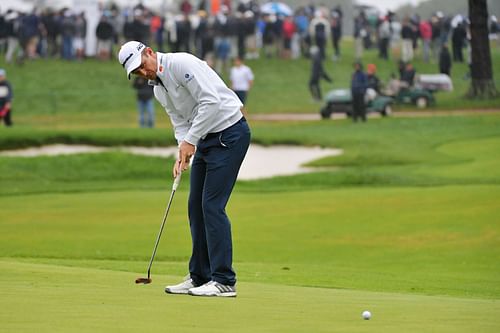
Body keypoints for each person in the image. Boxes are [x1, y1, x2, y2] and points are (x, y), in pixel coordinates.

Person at [118, 41, 250, 297]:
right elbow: (179, 121)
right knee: (195, 207)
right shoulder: (158, 89)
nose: (143, 73)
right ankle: (200, 276)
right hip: (206, 138)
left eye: (142, 66)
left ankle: (224, 280)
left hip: (230, 134)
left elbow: (210, 102)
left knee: (212, 206)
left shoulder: (182, 63)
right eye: (136, 72)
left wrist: (191, 140)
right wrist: (182, 149)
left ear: (149, 53)